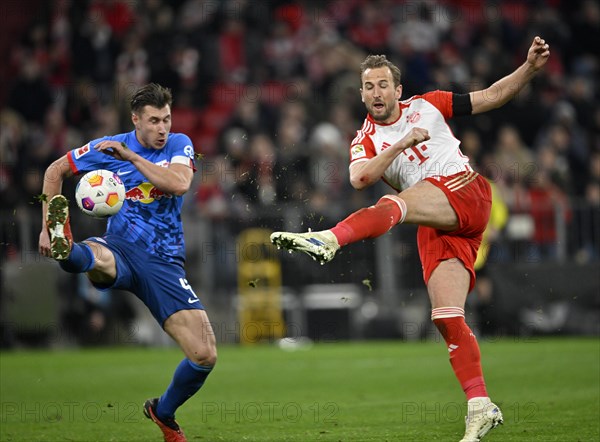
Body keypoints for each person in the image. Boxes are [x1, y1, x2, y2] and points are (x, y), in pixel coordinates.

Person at [271, 36, 550, 441]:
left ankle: (330, 239)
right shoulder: (364, 139)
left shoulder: (430, 103)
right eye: (368, 86)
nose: (376, 92)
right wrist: (401, 144)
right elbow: (358, 177)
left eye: (383, 84)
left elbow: (491, 96)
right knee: (447, 318)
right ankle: (480, 404)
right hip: (436, 220)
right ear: (362, 94)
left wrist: (528, 68)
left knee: (393, 202)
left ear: (398, 90)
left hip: (465, 191)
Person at [39, 83, 216, 442]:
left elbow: (180, 184)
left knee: (205, 354)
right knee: (95, 257)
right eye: (153, 121)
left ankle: (162, 412)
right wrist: (46, 224)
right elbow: (54, 170)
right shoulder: (107, 146)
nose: (162, 128)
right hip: (120, 247)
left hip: (164, 261)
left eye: (166, 119)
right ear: (136, 120)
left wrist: (132, 159)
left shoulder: (179, 144)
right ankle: (64, 246)